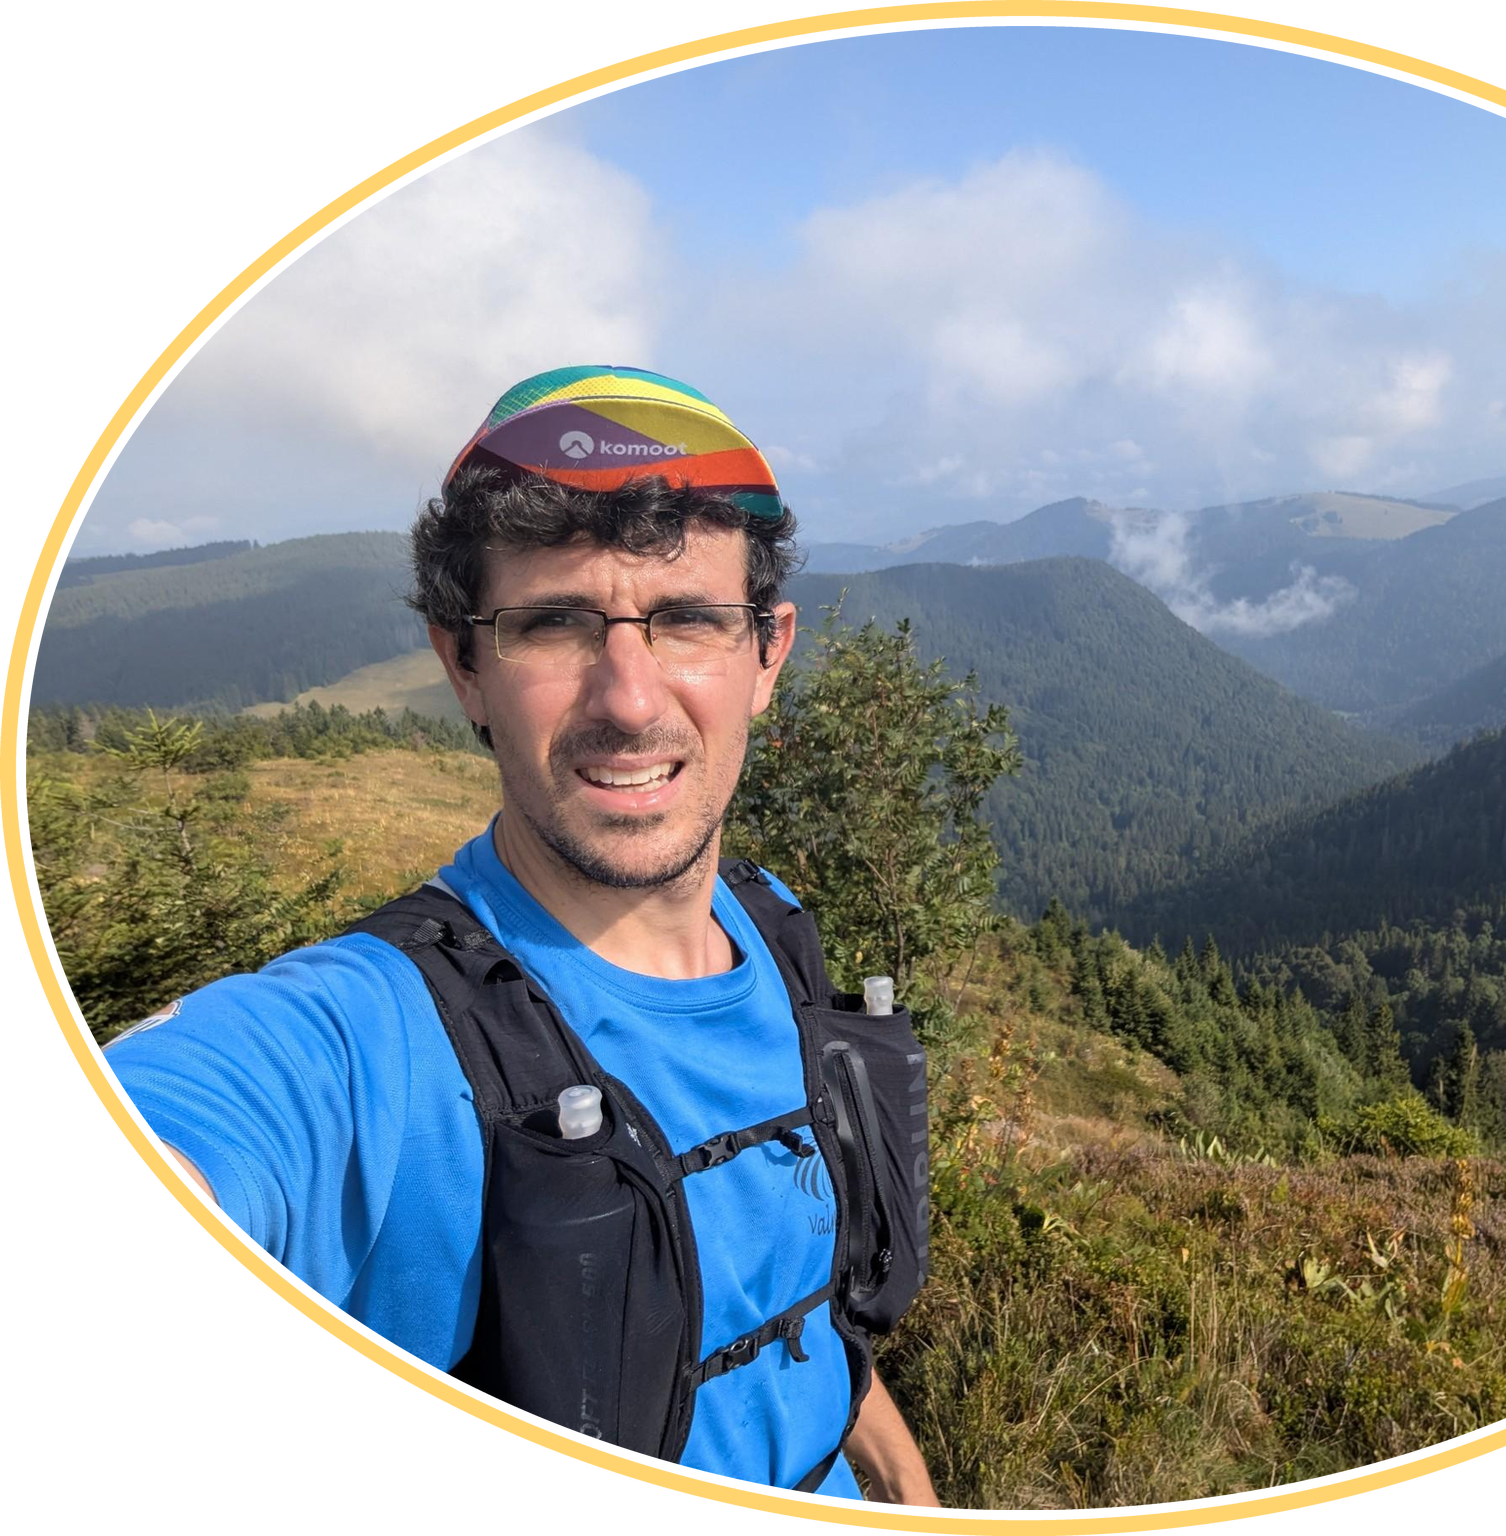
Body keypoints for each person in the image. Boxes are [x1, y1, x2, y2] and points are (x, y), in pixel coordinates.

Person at [106, 366, 939, 1504]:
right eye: (553, 624)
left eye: (689, 619)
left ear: (767, 655)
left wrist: (907, 1483)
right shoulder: (372, 1035)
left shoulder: (772, 923)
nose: (630, 700)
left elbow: (791, 1305)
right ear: (463, 666)